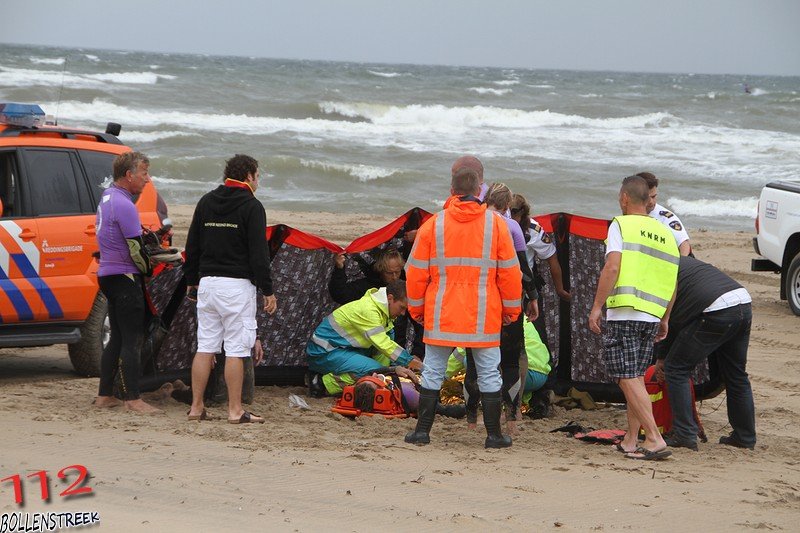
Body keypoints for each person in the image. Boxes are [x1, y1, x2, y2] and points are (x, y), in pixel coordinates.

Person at [404, 165, 522, 448]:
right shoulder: (496, 225)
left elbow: (416, 272)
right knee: (489, 373)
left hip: (441, 313)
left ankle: (422, 432)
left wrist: (416, 309)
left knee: (433, 370)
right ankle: (493, 435)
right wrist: (511, 311)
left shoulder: (434, 224)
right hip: (483, 315)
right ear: (479, 189)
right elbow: (510, 273)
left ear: (452, 191)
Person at [589, 175, 679, 460]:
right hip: (652, 314)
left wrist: (596, 306)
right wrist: (665, 316)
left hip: (625, 310)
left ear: (625, 198)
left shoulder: (621, 225)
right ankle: (630, 439)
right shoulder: (665, 232)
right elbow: (673, 280)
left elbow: (612, 267)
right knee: (636, 377)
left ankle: (653, 437)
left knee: (626, 376)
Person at [184, 154, 277, 424]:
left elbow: (192, 246)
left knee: (206, 347)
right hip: (236, 286)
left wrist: (192, 282)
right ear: (248, 175)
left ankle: (196, 407)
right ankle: (235, 410)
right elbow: (259, 254)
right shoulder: (252, 206)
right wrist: (268, 290)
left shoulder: (206, 201)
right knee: (236, 349)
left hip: (208, 284)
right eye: (258, 176)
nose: (259, 181)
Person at [654, 256, 756, 450]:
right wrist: (662, 355)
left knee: (676, 369)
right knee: (736, 375)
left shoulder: (657, 268)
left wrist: (662, 357)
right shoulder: (681, 261)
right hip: (742, 300)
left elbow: (670, 319)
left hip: (715, 309)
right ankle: (745, 438)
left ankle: (684, 435)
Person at [462, 182, 538, 435]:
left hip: (477, 301)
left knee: (474, 361)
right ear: (507, 205)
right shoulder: (512, 226)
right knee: (510, 362)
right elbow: (522, 270)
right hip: (507, 302)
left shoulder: (474, 222)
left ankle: (473, 419)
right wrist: (533, 296)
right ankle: (512, 420)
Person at [93, 151, 160, 414]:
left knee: (118, 338)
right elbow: (136, 249)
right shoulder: (124, 204)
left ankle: (105, 395)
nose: (147, 179)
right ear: (129, 175)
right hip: (123, 276)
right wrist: (149, 270)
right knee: (133, 338)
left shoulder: (107, 197)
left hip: (107, 275)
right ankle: (133, 399)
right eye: (144, 174)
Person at [307, 280, 420, 395]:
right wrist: (412, 363)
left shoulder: (383, 311)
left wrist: (384, 375)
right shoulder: (369, 310)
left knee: (380, 362)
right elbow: (384, 344)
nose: (403, 313)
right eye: (402, 307)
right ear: (390, 298)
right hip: (324, 352)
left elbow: (385, 348)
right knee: (373, 369)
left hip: (342, 348)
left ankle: (376, 382)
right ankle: (322, 383)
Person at [327, 248, 424, 361]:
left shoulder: (405, 291)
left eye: (397, 272)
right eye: (389, 273)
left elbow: (421, 323)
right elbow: (340, 294)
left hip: (395, 352)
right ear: (381, 270)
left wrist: (417, 353)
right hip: (365, 351)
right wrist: (339, 269)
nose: (394, 277)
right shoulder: (367, 286)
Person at [637, 172, 692, 256]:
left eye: (654, 196)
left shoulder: (665, 217)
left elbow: (684, 245)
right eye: (647, 197)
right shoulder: (628, 214)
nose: (651, 202)